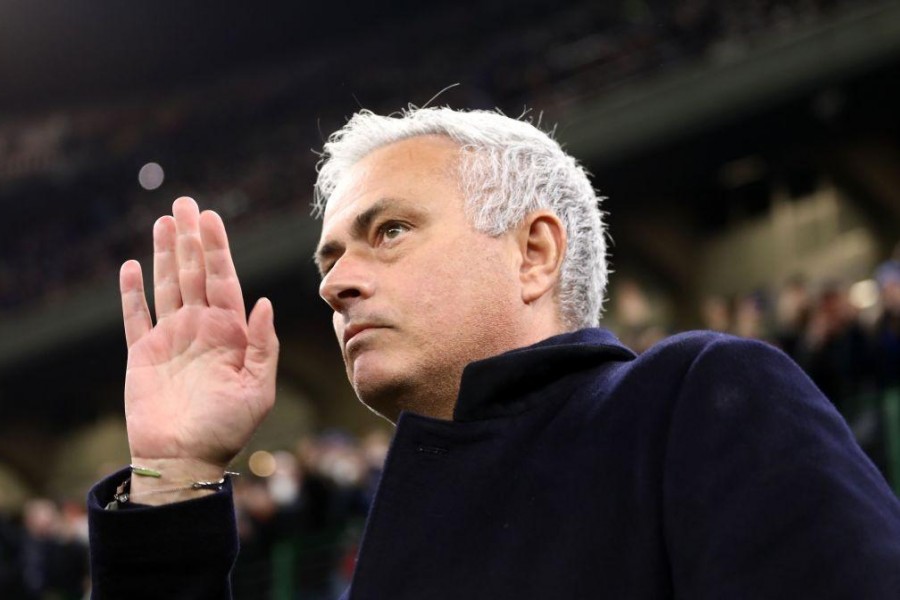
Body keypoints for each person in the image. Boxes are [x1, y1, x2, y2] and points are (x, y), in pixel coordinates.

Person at [87, 107, 900, 599]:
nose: (336, 287)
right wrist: (174, 476)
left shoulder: (697, 398)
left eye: (389, 231)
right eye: (328, 261)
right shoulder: (401, 523)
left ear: (535, 252)